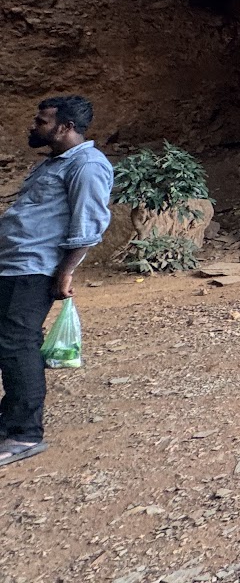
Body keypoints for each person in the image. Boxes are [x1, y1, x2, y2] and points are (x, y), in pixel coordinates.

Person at [0, 96, 113, 467]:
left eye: (42, 121)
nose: (34, 125)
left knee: (19, 344)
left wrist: (65, 271)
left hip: (35, 267)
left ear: (65, 127)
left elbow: (90, 224)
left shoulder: (88, 165)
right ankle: (10, 423)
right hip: (13, 263)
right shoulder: (53, 164)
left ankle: (23, 434)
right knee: (9, 343)